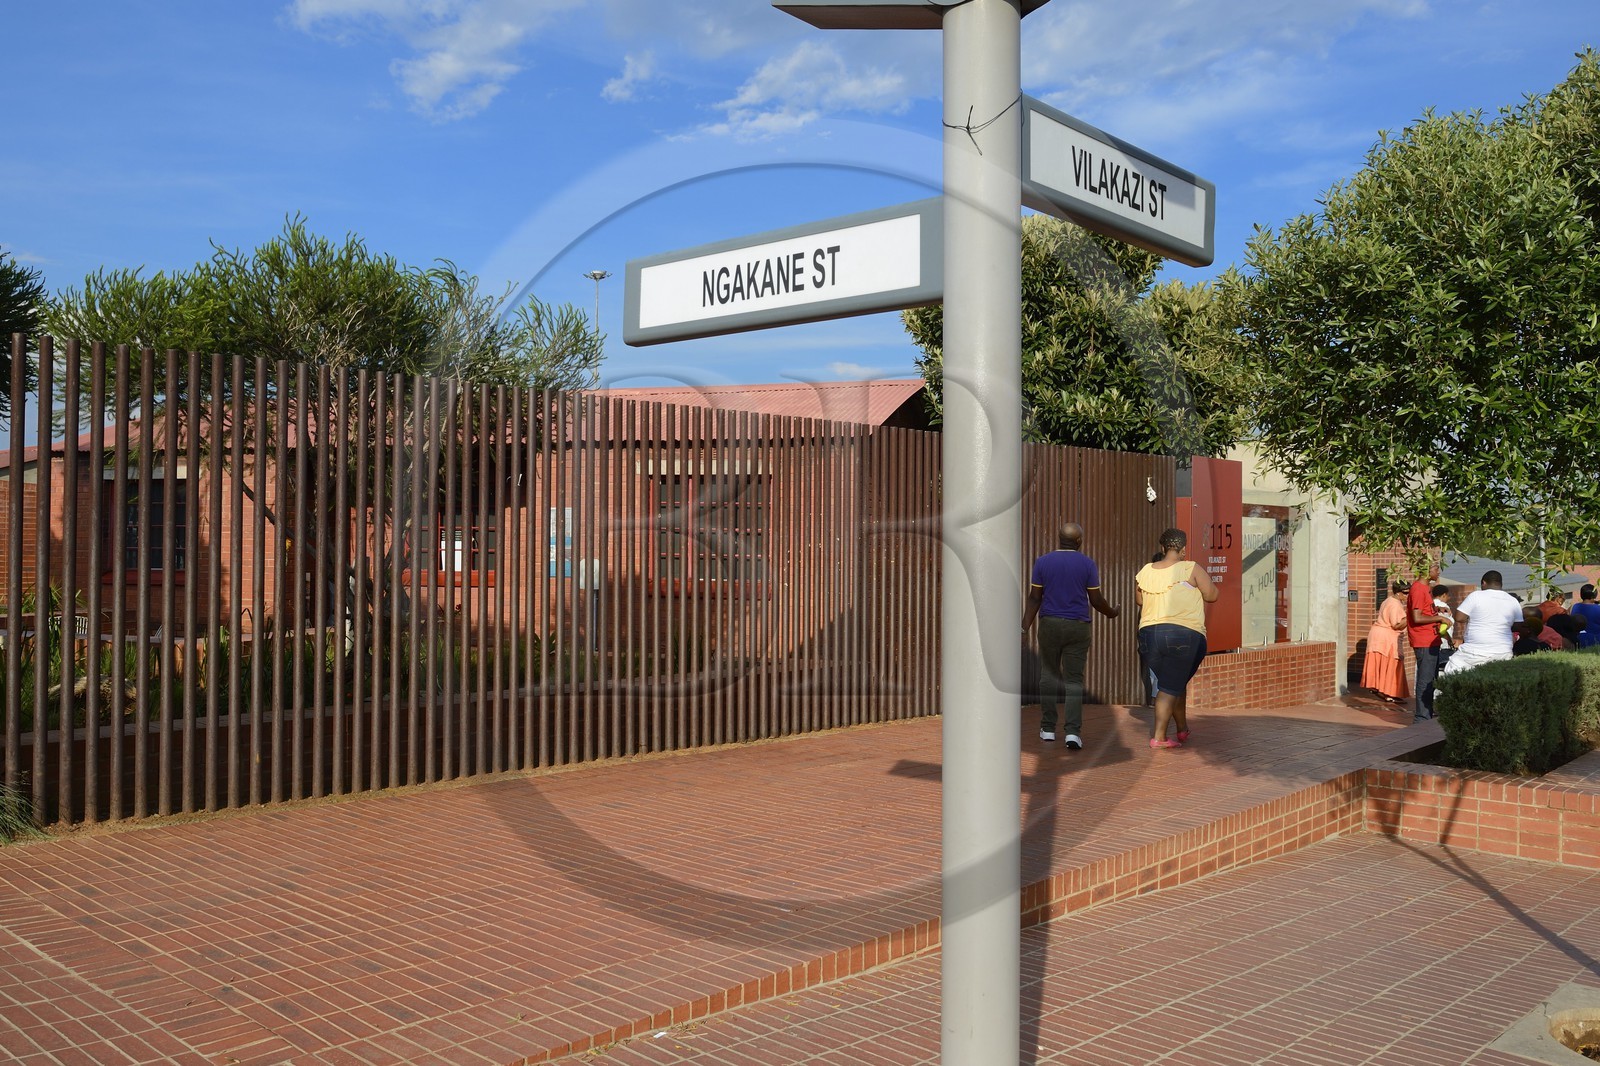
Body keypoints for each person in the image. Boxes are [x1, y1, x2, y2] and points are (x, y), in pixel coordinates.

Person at [1022, 522, 1120, 749]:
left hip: (1050, 625)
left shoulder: (1042, 562)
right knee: (1074, 680)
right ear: (1079, 541)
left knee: (1047, 677)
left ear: (1059, 538)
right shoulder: (1087, 564)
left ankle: (1047, 729)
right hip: (1077, 627)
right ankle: (1072, 733)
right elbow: (1095, 600)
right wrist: (1112, 613)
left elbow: (1035, 597)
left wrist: (1024, 627)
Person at [1135, 527, 1218, 749]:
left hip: (1149, 636)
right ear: (1183, 549)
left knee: (1174, 682)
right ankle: (1159, 737)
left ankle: (1182, 730)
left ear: (1162, 548)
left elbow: (1140, 600)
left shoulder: (1146, 570)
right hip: (1184, 634)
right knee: (1169, 687)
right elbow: (1211, 595)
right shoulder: (1190, 568)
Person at [1440, 570, 1524, 678]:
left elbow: (1459, 618)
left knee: (1452, 670)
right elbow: (1518, 626)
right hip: (1503, 652)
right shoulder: (1513, 600)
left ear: (1483, 583)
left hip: (1474, 652)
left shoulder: (1476, 596)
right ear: (1500, 584)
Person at [1360, 580, 1411, 705]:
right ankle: (1389, 692)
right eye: (1405, 593)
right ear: (1398, 592)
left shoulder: (1388, 600)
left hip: (1379, 636)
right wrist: (1412, 616)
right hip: (1386, 638)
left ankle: (1380, 689)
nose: (1407, 595)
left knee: (1383, 665)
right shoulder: (1395, 604)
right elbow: (1397, 625)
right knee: (1391, 666)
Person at [1406, 562, 1444, 721]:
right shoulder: (1418, 589)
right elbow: (1417, 617)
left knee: (1431, 680)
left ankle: (1427, 713)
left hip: (1432, 640)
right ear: (1426, 571)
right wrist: (1440, 618)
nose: (1438, 571)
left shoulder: (1426, 589)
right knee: (1425, 679)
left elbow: (1425, 611)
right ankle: (1421, 717)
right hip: (1424, 641)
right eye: (1435, 568)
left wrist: (1439, 612)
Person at [1432, 584, 1456, 668]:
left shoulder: (1430, 605)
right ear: (1444, 595)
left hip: (1431, 644)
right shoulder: (1444, 607)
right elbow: (1442, 629)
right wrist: (1450, 641)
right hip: (1443, 646)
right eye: (1447, 596)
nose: (1448, 598)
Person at [1573, 585, 1600, 650]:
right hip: (1596, 640)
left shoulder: (1573, 607)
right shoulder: (1598, 608)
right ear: (1593, 596)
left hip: (1577, 640)